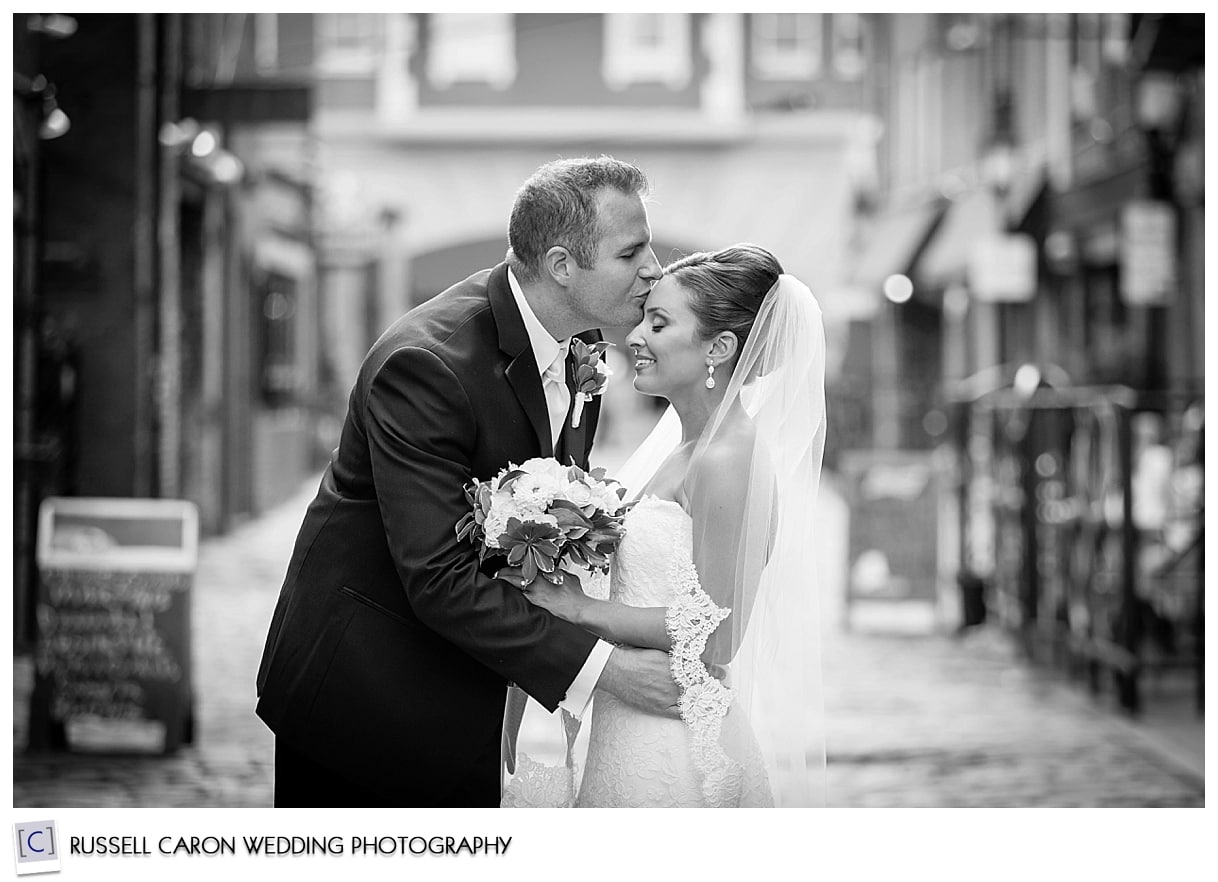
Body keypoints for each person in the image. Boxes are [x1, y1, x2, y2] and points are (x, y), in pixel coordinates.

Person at [255, 156, 680, 807]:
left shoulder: (581, 342)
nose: (654, 267)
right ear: (563, 266)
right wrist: (604, 672)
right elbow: (438, 575)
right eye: (633, 251)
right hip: (362, 700)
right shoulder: (427, 366)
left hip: (468, 693)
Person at [499, 244, 828, 807]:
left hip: (674, 740)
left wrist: (579, 609)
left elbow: (718, 633)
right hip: (631, 720)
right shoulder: (684, 450)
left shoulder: (728, 459)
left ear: (718, 349)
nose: (635, 337)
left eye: (659, 322)